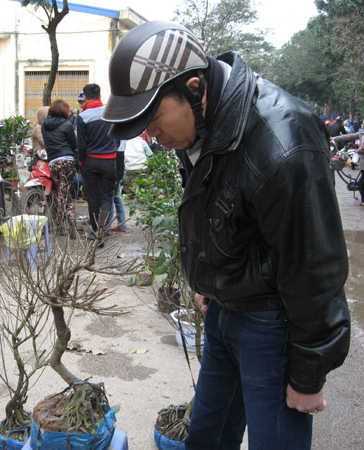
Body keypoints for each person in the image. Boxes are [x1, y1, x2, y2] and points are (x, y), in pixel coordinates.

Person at [103, 21, 350, 449]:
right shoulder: (202, 125)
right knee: (208, 437)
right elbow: (216, 209)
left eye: (155, 118)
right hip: (223, 310)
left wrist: (307, 376)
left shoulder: (282, 139)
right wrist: (208, 277)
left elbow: (315, 267)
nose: (151, 134)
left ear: (195, 87)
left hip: (273, 324)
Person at [76, 83, 119, 240]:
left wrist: (81, 163)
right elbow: (118, 137)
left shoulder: (82, 117)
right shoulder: (111, 112)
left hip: (90, 162)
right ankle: (102, 229)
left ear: (85, 98)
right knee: (107, 197)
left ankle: (95, 232)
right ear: (100, 97)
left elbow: (81, 145)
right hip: (109, 161)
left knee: (93, 198)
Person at [41, 99, 77, 238]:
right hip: (67, 161)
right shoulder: (67, 125)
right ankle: (70, 220)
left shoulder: (44, 125)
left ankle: (61, 226)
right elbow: (73, 145)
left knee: (60, 193)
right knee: (66, 192)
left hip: (53, 163)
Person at [110, 140, 127, 232]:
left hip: (114, 162)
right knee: (116, 196)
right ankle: (122, 223)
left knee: (110, 197)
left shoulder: (116, 136)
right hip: (120, 163)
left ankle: (107, 227)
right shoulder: (123, 135)